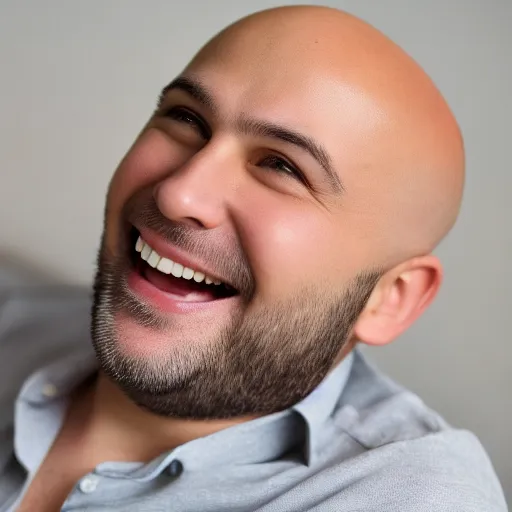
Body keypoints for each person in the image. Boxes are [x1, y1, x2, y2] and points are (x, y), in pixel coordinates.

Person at [0, 5, 507, 512]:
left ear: (389, 300)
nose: (180, 194)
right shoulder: (17, 320)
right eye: (186, 118)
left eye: (282, 167)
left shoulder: (415, 497)